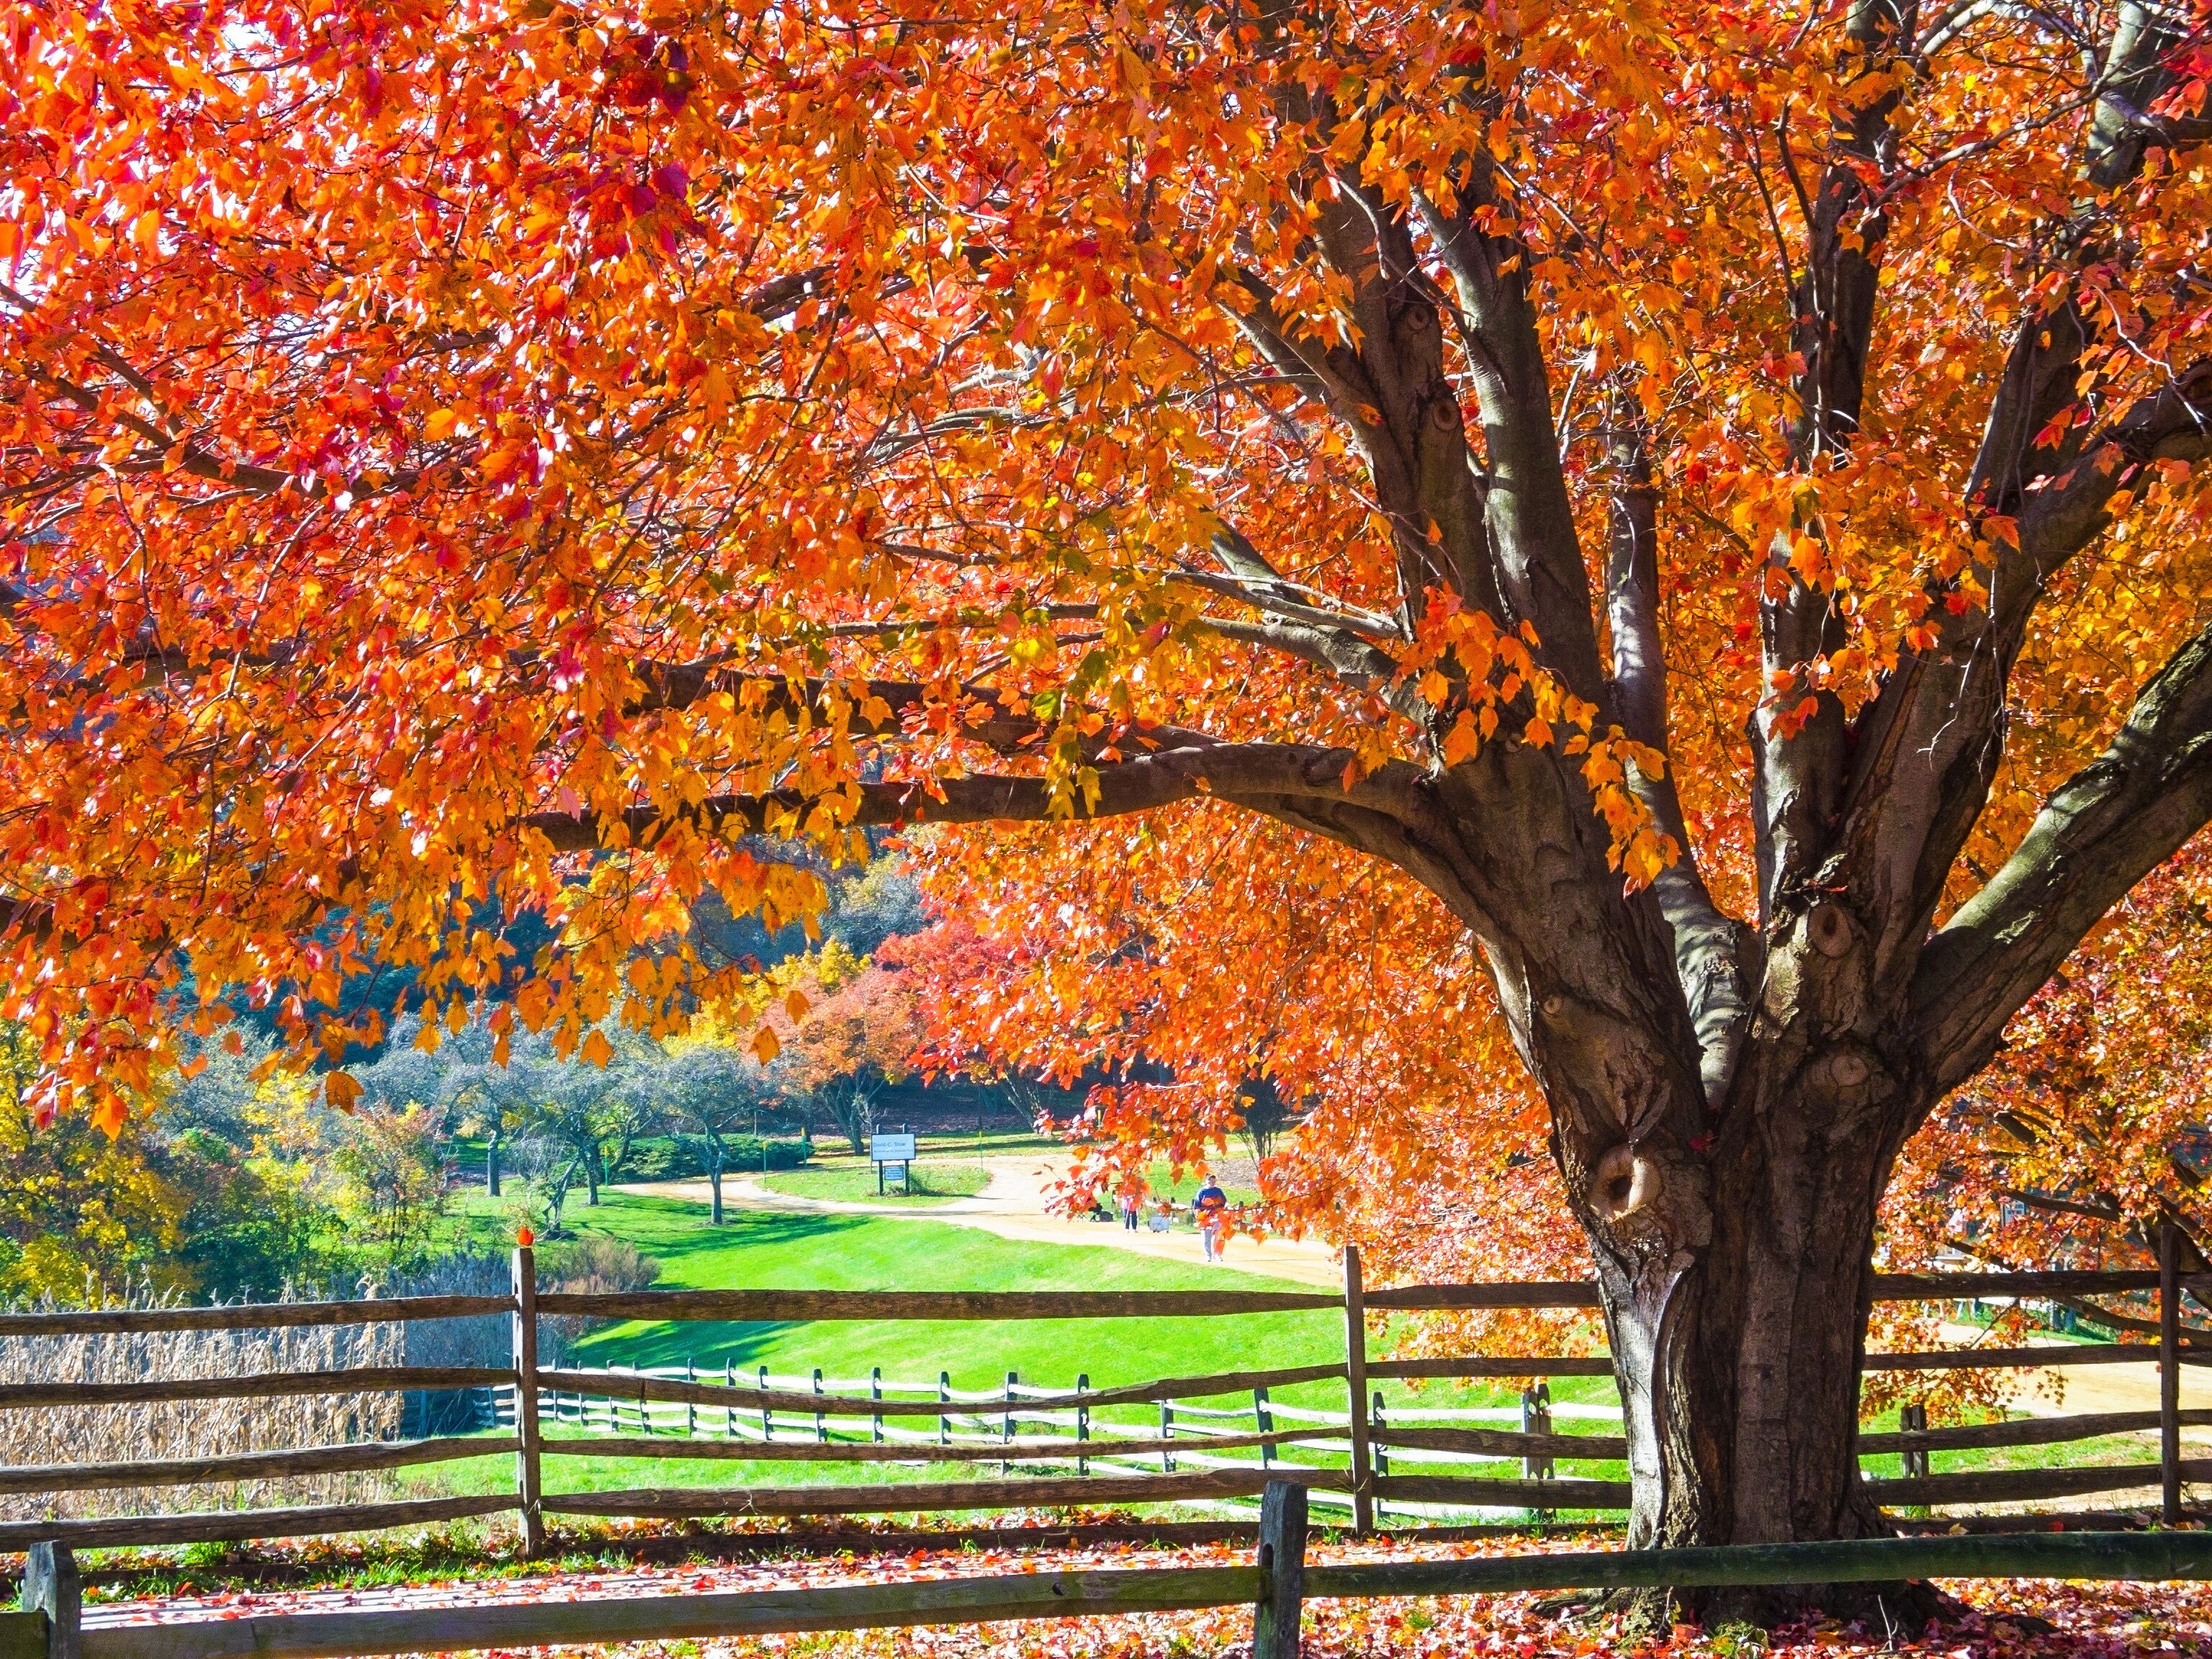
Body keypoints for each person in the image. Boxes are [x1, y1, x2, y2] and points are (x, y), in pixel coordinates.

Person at [1192, 1175, 1228, 1262]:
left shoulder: (1218, 1191)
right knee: (1206, 1238)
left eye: (1214, 1182)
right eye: (1210, 1182)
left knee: (1218, 1236)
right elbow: (1197, 1206)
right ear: (1206, 1181)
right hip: (1206, 1218)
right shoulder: (1201, 1192)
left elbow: (1224, 1203)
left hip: (1217, 1217)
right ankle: (1208, 1255)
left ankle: (1217, 1255)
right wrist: (1199, 1217)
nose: (1212, 1183)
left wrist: (1227, 1209)